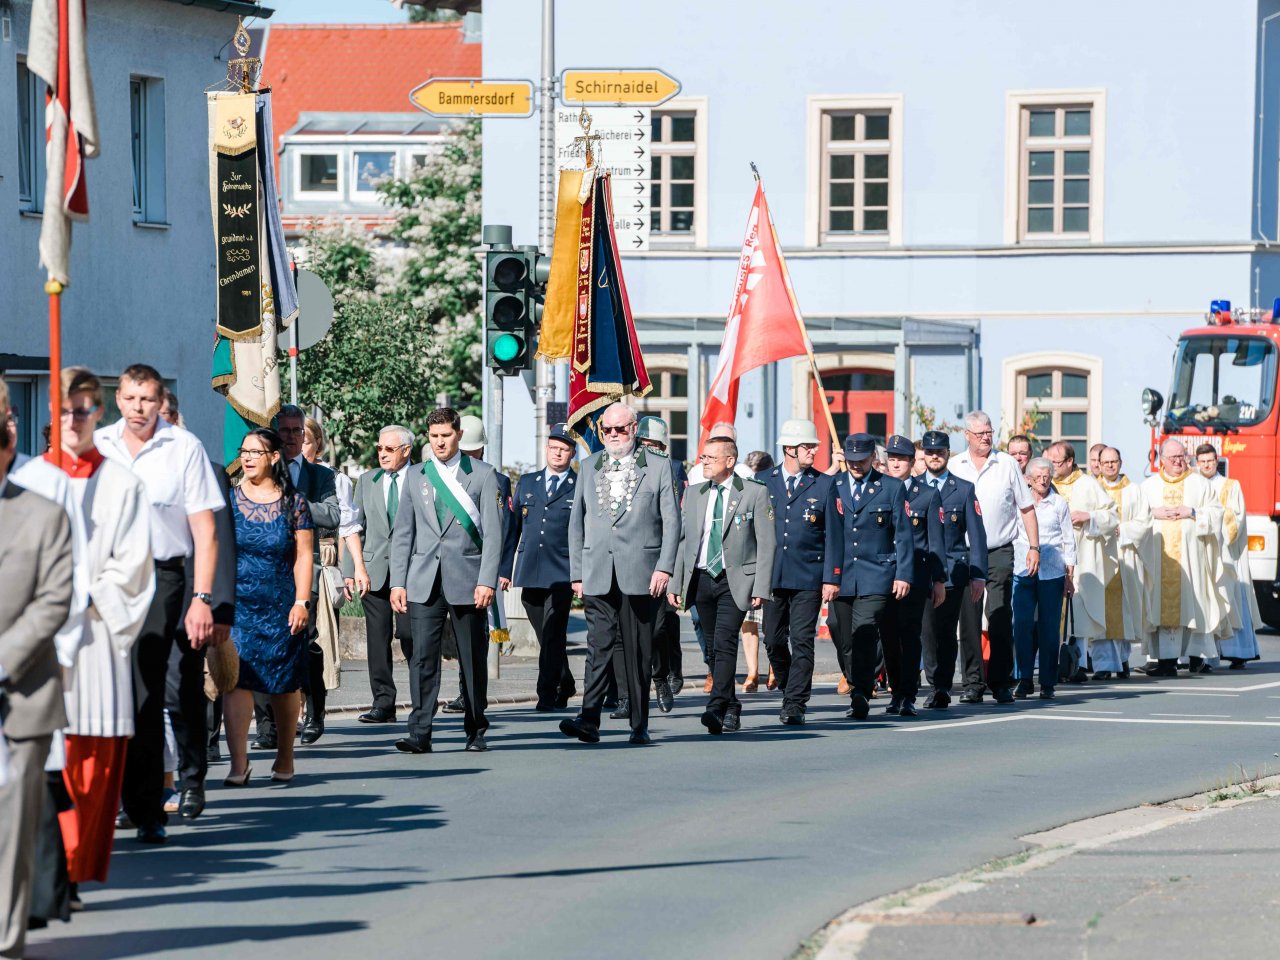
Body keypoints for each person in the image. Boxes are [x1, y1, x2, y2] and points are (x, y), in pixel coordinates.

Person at [95, 363, 222, 845]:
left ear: (160, 400)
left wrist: (203, 598)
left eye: (147, 399)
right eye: (130, 399)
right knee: (111, 689)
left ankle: (149, 806)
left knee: (149, 683)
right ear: (118, 399)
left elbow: (205, 532)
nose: (138, 408)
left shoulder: (182, 447)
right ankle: (120, 796)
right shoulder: (101, 445)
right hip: (107, 575)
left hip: (161, 575)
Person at [43, 370, 155, 896]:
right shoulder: (28, 480)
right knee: (39, 759)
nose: (73, 420)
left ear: (98, 413)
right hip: (36, 640)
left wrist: (83, 594)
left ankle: (72, 866)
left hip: (94, 635)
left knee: (89, 763)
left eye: (83, 410)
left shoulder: (122, 484)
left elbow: (133, 566)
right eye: (65, 410)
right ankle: (45, 866)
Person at [0, 371, 74, 960]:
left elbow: (53, 600)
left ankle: (4, 937)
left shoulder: (44, 514)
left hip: (19, 694)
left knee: (11, 824)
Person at [560, 403, 679, 746]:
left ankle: (639, 724)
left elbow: (672, 521)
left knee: (639, 651)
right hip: (598, 571)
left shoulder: (657, 466)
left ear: (634, 429)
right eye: (607, 430)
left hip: (641, 573)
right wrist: (577, 572)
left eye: (621, 429)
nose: (613, 435)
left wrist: (665, 567)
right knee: (598, 647)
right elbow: (576, 524)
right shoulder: (589, 466)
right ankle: (589, 719)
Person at [389, 408, 503, 754]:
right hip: (424, 580)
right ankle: (420, 732)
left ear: (459, 435)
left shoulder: (482, 474)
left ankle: (475, 730)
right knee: (422, 658)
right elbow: (403, 533)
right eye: (434, 436)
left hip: (468, 580)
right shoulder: (416, 475)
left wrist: (487, 580)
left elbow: (494, 534)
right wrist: (398, 582)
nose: (440, 442)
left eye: (446, 435)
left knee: (472, 658)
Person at [222, 428, 314, 785]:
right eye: (243, 452)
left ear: (274, 457)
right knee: (236, 681)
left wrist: (302, 601)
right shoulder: (228, 500)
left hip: (281, 605)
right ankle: (238, 764)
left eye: (255, 452)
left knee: (283, 684)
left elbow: (304, 555)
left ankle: (285, 756)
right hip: (238, 605)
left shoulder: (295, 503)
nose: (246, 458)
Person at [669, 437, 775, 735]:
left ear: (730, 461)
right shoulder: (695, 493)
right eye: (703, 457)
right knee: (713, 647)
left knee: (725, 640)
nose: (704, 462)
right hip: (703, 578)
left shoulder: (754, 492)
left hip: (735, 579)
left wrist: (761, 588)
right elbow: (684, 542)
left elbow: (766, 544)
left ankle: (715, 706)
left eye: (711, 458)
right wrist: (676, 582)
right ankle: (731, 705)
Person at [255, 404, 338, 748]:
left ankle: (315, 712)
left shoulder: (320, 476)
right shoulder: (261, 470)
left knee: (304, 643)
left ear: (304, 434)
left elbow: (332, 515)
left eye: (296, 431)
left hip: (304, 569)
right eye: (284, 430)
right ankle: (267, 727)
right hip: (265, 570)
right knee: (262, 644)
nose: (290, 437)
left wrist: (294, 500)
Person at [949, 411, 1039, 705]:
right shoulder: (955, 465)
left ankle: (1001, 682)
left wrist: (1034, 547)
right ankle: (973, 682)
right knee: (969, 618)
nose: (986, 438)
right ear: (967, 435)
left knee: (999, 613)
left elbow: (1026, 507)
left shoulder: (1007, 464)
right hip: (965, 552)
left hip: (999, 549)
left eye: (989, 432)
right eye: (980, 434)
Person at [824, 433, 913, 720]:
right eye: (851, 460)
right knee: (841, 633)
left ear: (873, 458)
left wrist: (903, 574)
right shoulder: (834, 485)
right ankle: (855, 681)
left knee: (864, 632)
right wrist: (828, 577)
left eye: (861, 460)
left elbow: (903, 535)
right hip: (842, 574)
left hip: (877, 574)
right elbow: (829, 536)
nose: (855, 465)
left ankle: (860, 692)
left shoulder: (891, 487)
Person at [757, 419, 834, 725]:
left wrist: (831, 577)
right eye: (807, 446)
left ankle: (795, 702)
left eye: (814, 446)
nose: (813, 451)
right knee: (773, 640)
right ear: (789, 449)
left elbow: (833, 536)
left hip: (808, 575)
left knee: (802, 639)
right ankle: (790, 685)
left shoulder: (824, 484)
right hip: (773, 575)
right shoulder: (764, 481)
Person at [441, 415, 518, 714]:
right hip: (451, 568)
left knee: (477, 638)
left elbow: (504, 530)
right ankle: (466, 691)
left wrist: (502, 570)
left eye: (474, 451)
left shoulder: (495, 479)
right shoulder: (441, 475)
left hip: (482, 568)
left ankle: (473, 693)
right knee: (460, 639)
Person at [343, 425, 414, 723]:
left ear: (406, 451)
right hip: (373, 572)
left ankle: (422, 700)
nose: (382, 454)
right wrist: (349, 571)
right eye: (380, 448)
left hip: (411, 573)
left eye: (389, 449)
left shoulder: (421, 477)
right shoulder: (367, 480)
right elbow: (354, 527)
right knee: (377, 640)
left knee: (411, 635)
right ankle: (383, 703)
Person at [1139, 440, 1227, 676]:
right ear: (1162, 460)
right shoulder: (1149, 486)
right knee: (1160, 605)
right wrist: (1152, 513)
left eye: (1181, 456)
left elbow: (1217, 513)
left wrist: (1193, 512)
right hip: (1159, 559)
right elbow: (1134, 516)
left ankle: (1196, 657)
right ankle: (1166, 663)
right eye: (1173, 457)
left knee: (1195, 603)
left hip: (1192, 560)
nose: (1178, 461)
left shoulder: (1200, 484)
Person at [917, 430, 987, 709]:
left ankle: (942, 687)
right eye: (930, 452)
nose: (935, 457)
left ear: (948, 454)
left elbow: (977, 535)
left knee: (947, 633)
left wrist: (978, 574)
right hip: (922, 572)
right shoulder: (912, 488)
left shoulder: (963, 488)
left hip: (952, 572)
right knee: (927, 633)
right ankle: (933, 683)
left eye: (940, 452)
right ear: (923, 454)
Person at [511, 425, 579, 711]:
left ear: (572, 453)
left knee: (553, 632)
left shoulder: (579, 484)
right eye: (553, 447)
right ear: (546, 448)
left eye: (564, 449)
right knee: (546, 632)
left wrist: (581, 574)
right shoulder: (528, 482)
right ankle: (566, 680)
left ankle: (546, 692)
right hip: (530, 568)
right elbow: (513, 529)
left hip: (563, 570)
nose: (557, 453)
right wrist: (503, 570)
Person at [881, 434, 945, 716]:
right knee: (888, 637)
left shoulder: (927, 494)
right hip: (884, 575)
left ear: (911, 462)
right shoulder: (879, 490)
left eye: (901, 459)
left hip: (916, 575)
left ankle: (907, 694)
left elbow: (935, 541)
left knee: (909, 635)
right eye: (891, 459)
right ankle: (895, 690)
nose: (895, 464)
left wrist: (939, 580)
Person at [1046, 441, 1118, 682]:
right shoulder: (1045, 482)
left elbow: (1112, 515)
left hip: (1081, 558)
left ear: (1070, 461)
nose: (1052, 467)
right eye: (1050, 462)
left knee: (1078, 611)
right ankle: (1050, 665)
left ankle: (1076, 664)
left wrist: (1089, 516)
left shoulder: (1088, 484)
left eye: (1056, 463)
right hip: (1050, 557)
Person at [302, 418, 358, 695]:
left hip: (324, 554)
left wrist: (349, 571)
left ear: (318, 444)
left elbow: (346, 527)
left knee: (320, 631)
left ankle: (315, 701)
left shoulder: (333, 477)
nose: (299, 446)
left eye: (305, 441)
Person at [1012, 458, 1076, 700]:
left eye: (1047, 476)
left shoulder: (1059, 503)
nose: (1043, 481)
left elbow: (1068, 540)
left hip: (1052, 571)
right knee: (1022, 625)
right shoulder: (1019, 501)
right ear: (1028, 479)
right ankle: (1024, 678)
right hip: (1023, 569)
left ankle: (1048, 682)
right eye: (1038, 477)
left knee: (1049, 628)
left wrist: (1069, 576)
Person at [1195, 444, 1260, 668]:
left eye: (1210, 461)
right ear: (1197, 462)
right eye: (1202, 461)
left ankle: (1238, 652)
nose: (1206, 465)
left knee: (1232, 596)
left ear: (1217, 461)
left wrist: (1212, 521)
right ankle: (1205, 655)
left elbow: (1236, 518)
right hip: (1201, 550)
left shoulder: (1231, 485)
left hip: (1225, 552)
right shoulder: (1193, 485)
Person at [637, 416, 686, 702]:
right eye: (643, 443)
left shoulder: (673, 468)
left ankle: (669, 670)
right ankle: (634, 687)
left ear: (663, 446)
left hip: (664, 556)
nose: (647, 449)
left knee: (664, 623)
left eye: (653, 444)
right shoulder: (629, 467)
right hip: (635, 556)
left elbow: (675, 518)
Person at [1095, 447, 1153, 679]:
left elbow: (1145, 522)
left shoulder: (1134, 490)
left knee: (1125, 610)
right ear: (1099, 464)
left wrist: (1122, 529)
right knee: (1100, 610)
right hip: (1100, 556)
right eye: (1106, 462)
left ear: (1121, 462)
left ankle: (1122, 658)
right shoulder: (1092, 488)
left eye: (1114, 461)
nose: (1110, 465)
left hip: (1126, 554)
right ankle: (1103, 665)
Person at [738, 450, 776, 692]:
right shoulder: (742, 490)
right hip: (747, 562)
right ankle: (752, 672)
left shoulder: (772, 489)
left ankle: (774, 668)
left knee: (772, 624)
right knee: (748, 621)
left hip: (769, 563)